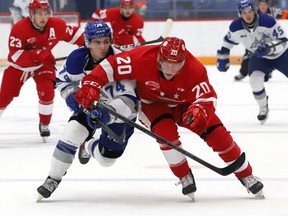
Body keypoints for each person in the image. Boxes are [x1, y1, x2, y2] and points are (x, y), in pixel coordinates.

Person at [75, 36, 265, 201]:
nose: (170, 69)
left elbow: (208, 96)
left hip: (187, 105)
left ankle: (246, 175)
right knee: (166, 137)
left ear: (183, 61)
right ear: (159, 57)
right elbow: (111, 65)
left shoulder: (195, 69)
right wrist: (92, 82)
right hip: (152, 105)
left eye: (175, 65)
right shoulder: (143, 57)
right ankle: (184, 175)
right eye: (165, 63)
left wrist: (200, 110)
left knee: (218, 135)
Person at [36, 20, 138, 200]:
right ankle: (53, 178)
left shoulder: (122, 61)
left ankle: (89, 145)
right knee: (72, 132)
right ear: (88, 43)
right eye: (97, 42)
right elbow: (62, 81)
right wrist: (72, 97)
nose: (103, 47)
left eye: (106, 41)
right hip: (91, 105)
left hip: (119, 113)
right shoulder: (77, 60)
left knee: (107, 160)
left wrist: (107, 114)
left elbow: (130, 99)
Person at [0, 0, 84, 142]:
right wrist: (37, 55)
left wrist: (92, 43)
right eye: (39, 14)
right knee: (4, 97)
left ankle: (44, 124)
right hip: (18, 67)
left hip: (42, 65)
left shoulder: (56, 25)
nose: (43, 17)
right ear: (31, 15)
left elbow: (76, 34)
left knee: (47, 92)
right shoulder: (19, 28)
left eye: (46, 13)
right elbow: (15, 55)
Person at [216, 0, 288, 124]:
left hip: (281, 55)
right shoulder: (235, 26)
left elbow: (283, 41)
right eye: (244, 13)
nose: (248, 15)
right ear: (240, 14)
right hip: (258, 56)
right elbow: (227, 42)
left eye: (250, 11)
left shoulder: (268, 21)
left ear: (254, 11)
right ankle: (263, 107)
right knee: (255, 80)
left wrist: (269, 47)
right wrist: (222, 57)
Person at [234, 0, 282, 81]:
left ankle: (268, 71)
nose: (263, 7)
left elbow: (285, 14)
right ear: (258, 6)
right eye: (261, 5)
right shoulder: (253, 12)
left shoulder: (274, 12)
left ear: (268, 5)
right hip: (254, 39)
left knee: (272, 54)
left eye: (265, 5)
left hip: (269, 39)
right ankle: (243, 72)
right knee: (248, 54)